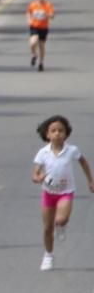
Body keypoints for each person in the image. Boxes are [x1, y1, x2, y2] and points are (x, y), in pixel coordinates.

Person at [31, 115, 94, 270]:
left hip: (66, 192)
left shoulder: (72, 150)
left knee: (61, 219)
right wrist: (38, 177)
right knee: (47, 228)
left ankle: (62, 226)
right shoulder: (43, 153)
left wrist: (90, 180)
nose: (57, 133)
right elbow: (35, 174)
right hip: (48, 193)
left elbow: (83, 162)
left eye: (61, 130)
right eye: (53, 131)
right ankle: (48, 255)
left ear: (66, 133)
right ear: (47, 134)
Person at [27, 0, 55, 72]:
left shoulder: (48, 5)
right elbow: (28, 12)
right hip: (34, 26)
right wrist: (29, 20)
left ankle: (41, 63)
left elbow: (52, 16)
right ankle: (34, 54)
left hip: (43, 28)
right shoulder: (32, 5)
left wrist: (47, 14)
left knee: (41, 46)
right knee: (33, 42)